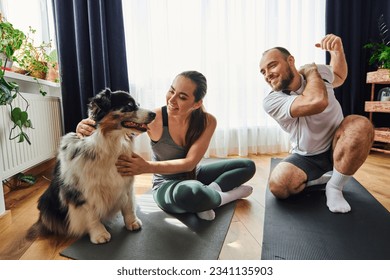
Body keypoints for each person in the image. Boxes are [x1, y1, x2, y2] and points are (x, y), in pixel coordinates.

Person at [77, 70, 255, 220]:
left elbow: (190, 163)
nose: (172, 99)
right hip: (166, 185)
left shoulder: (208, 121)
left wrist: (146, 167)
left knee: (247, 166)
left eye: (182, 97)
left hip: (194, 174)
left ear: (197, 103)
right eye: (172, 91)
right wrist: (84, 125)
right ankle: (223, 196)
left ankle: (211, 197)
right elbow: (114, 126)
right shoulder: (153, 118)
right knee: (191, 193)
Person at [259, 34, 374, 214]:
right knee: (279, 186)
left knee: (361, 124)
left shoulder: (320, 71)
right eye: (263, 72)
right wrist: (311, 71)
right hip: (307, 156)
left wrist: (337, 52)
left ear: (290, 61)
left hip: (340, 142)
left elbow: (339, 75)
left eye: (272, 65)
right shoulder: (272, 101)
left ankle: (334, 187)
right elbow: (316, 101)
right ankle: (320, 178)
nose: (268, 75)